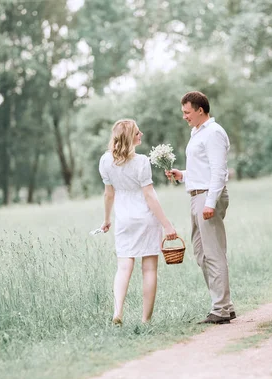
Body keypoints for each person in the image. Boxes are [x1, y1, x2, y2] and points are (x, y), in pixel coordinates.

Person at [99, 119, 178, 325]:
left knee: (123, 267)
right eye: (137, 132)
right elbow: (149, 196)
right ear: (129, 138)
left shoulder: (105, 161)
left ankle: (117, 312)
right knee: (149, 269)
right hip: (145, 217)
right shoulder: (141, 161)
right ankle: (145, 320)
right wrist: (167, 224)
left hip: (123, 218)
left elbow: (109, 195)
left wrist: (107, 219)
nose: (141, 134)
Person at [166, 91, 235, 325]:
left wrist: (210, 202)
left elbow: (218, 171)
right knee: (201, 253)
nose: (184, 116)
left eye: (187, 112)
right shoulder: (196, 133)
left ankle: (221, 309)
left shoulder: (214, 133)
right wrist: (182, 175)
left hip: (208, 197)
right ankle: (224, 304)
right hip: (197, 195)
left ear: (200, 110)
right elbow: (201, 170)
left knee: (213, 253)